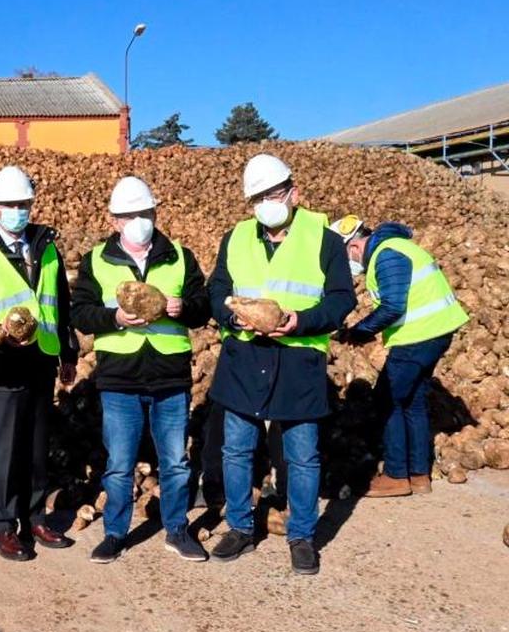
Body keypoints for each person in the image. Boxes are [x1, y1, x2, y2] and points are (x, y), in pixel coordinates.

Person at [206, 154, 356, 575]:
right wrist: (231, 315)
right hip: (244, 357)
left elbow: (343, 298)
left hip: (297, 360)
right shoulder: (235, 237)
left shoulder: (323, 239)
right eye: (257, 197)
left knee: (302, 456)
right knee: (236, 449)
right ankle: (239, 526)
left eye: (273, 193)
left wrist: (300, 321)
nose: (266, 203)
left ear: (294, 192)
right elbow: (218, 287)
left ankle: (302, 535)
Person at [71, 176, 212, 563]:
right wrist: (114, 317)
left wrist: (184, 307)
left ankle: (178, 530)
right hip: (120, 377)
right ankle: (115, 533)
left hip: (170, 374)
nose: (139, 220)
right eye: (130, 215)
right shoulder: (96, 260)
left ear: (155, 211)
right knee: (118, 465)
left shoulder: (179, 255)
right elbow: (80, 313)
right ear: (114, 220)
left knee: (176, 462)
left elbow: (204, 306)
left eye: (145, 212)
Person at [0, 166, 78, 561]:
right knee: (6, 449)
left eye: (23, 203)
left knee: (37, 445)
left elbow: (60, 303)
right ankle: (4, 526)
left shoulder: (46, 247)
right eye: (9, 204)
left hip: (42, 359)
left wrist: (68, 352)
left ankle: (36, 516)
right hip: (6, 364)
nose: (17, 210)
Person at [332, 215, 469, 496]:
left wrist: (360, 331)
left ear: (354, 246)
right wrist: (365, 331)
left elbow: (393, 306)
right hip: (434, 332)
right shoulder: (396, 247)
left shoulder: (387, 254)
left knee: (387, 400)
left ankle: (396, 475)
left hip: (419, 337)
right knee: (413, 401)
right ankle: (419, 476)